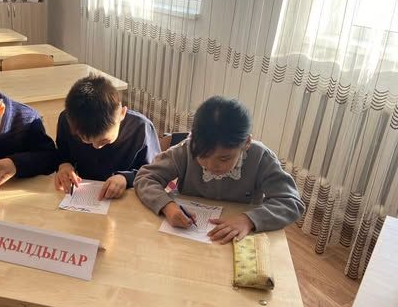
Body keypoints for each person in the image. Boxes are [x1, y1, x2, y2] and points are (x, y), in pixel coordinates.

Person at [134, 96, 304, 243]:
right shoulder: (186, 150)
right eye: (202, 155)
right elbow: (145, 177)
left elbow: (291, 202)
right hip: (187, 235)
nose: (211, 165)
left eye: (224, 158)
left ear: (246, 143)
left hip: (238, 237)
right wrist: (167, 206)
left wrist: (249, 220)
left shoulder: (260, 158)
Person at [55, 75, 160, 199]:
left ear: (122, 113)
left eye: (104, 140)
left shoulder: (141, 128)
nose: (96, 147)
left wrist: (126, 178)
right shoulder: (68, 121)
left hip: (128, 198)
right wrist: (64, 164)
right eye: (86, 141)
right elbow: (62, 153)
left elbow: (156, 172)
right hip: (84, 194)